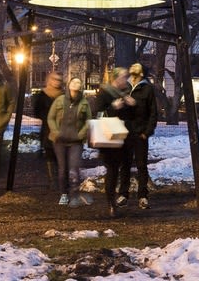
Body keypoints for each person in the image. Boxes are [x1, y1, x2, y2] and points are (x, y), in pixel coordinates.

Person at [118, 62, 158, 209]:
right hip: (125, 133)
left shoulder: (147, 88)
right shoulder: (125, 87)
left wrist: (146, 132)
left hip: (140, 133)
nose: (133, 67)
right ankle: (123, 194)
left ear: (141, 73)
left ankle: (142, 196)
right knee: (125, 165)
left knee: (141, 166)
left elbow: (153, 112)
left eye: (137, 66)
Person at [94, 67, 133, 217]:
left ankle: (122, 195)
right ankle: (111, 202)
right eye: (123, 77)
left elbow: (131, 115)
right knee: (112, 169)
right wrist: (112, 108)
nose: (125, 80)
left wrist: (131, 105)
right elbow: (97, 112)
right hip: (110, 136)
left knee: (125, 167)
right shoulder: (105, 93)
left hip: (125, 136)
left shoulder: (126, 93)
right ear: (116, 79)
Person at [47, 76, 91, 205]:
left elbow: (88, 120)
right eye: (73, 83)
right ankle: (64, 194)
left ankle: (74, 194)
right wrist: (55, 132)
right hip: (59, 141)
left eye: (78, 84)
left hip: (76, 142)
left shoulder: (84, 103)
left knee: (74, 168)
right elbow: (51, 117)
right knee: (62, 169)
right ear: (69, 86)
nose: (75, 86)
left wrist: (80, 134)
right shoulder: (59, 100)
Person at [33, 71, 64, 189]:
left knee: (60, 153)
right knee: (50, 153)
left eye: (58, 80)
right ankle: (52, 180)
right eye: (54, 79)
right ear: (49, 80)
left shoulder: (63, 95)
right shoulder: (42, 95)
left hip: (61, 127)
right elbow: (37, 111)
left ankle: (60, 179)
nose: (56, 82)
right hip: (47, 128)